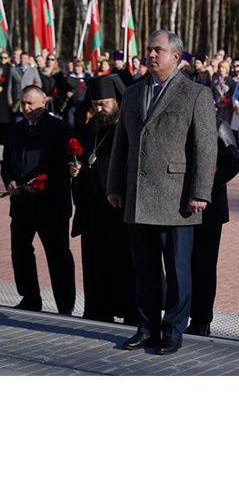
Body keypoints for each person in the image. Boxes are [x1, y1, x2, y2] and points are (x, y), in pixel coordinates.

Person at [106, 30, 217, 355]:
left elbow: (205, 147)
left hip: (177, 197)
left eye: (159, 50)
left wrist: (200, 192)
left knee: (179, 272)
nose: (151, 55)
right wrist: (115, 186)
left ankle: (173, 330)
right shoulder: (133, 93)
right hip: (139, 195)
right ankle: (146, 328)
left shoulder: (195, 94)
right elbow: (121, 143)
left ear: (176, 57)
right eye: (149, 49)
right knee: (145, 270)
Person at [0, 85, 77, 314]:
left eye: (30, 103)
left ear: (44, 102)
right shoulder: (16, 130)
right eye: (22, 103)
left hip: (51, 205)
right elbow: (6, 162)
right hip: (22, 203)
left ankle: (65, 304)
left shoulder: (60, 129)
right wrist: (9, 181)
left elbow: (67, 165)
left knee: (58, 255)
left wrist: (45, 182)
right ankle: (30, 298)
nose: (26, 108)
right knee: (20, 252)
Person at [69, 75, 138, 325]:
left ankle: (131, 311)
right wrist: (76, 169)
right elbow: (87, 155)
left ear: (117, 101)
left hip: (118, 206)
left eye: (103, 104)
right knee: (96, 259)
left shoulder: (128, 125)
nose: (98, 109)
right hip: (93, 205)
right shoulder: (92, 126)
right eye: (95, 104)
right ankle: (99, 309)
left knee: (123, 259)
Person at [188, 117, 239, 336]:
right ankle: (184, 313)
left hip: (209, 210)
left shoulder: (219, 125)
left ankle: (201, 319)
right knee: (184, 265)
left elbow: (232, 165)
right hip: (183, 207)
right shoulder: (185, 120)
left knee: (204, 267)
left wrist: (202, 186)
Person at [211, 60, 236, 124]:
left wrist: (227, 102)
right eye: (219, 67)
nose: (221, 69)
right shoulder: (214, 81)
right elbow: (211, 94)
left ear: (226, 69)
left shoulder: (231, 81)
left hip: (227, 108)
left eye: (223, 67)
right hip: (217, 108)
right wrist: (214, 105)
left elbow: (234, 94)